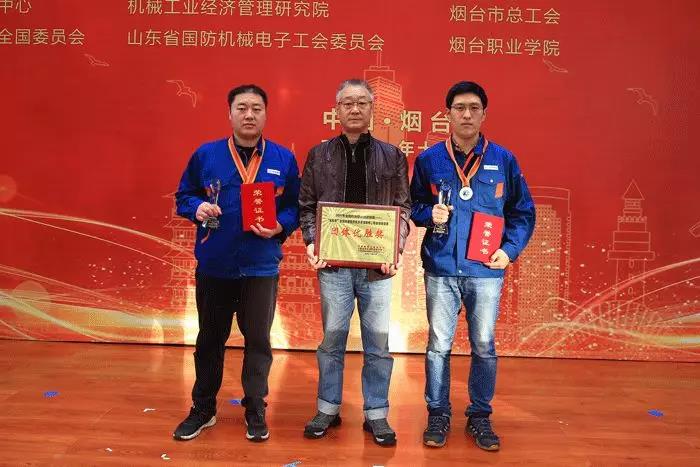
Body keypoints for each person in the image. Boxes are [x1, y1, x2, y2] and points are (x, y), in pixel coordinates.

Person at [410, 81, 535, 451]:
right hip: (441, 267)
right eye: (459, 108)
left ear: (484, 114)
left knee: (483, 345)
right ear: (447, 114)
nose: (466, 114)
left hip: (485, 270)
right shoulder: (429, 160)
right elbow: (412, 205)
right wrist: (427, 214)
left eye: (474, 108)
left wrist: (509, 251)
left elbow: (522, 212)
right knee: (438, 345)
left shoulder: (504, 160)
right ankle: (438, 413)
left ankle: (480, 415)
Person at [172, 84, 300, 442]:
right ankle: (203, 408)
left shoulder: (282, 159)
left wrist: (280, 225)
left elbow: (295, 205)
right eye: (242, 108)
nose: (249, 115)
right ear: (229, 114)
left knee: (258, 341)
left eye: (256, 108)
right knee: (210, 339)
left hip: (260, 266)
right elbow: (184, 196)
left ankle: (255, 407)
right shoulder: (206, 155)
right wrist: (197, 207)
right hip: (216, 264)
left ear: (266, 114)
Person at [298, 79, 411, 446]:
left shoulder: (392, 156)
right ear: (338, 110)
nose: (355, 109)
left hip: (377, 269)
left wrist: (394, 249)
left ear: (372, 109)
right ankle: (327, 408)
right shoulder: (319, 155)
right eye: (348, 103)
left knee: (377, 344)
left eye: (362, 102)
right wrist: (313, 242)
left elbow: (403, 209)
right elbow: (306, 206)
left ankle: (376, 413)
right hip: (334, 267)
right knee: (332, 340)